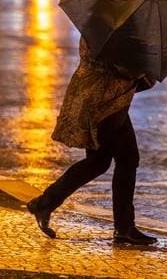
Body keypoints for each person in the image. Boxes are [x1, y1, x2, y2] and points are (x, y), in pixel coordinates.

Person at [26, 37, 158, 245]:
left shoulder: (101, 25)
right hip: (105, 104)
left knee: (101, 162)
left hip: (101, 101)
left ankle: (46, 203)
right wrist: (147, 69)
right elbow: (124, 67)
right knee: (125, 160)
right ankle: (124, 228)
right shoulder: (116, 30)